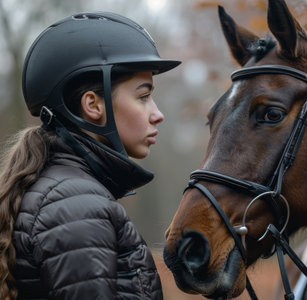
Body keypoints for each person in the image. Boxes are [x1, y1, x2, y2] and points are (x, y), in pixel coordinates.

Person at [0, 12, 180, 299]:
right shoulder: (78, 205)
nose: (158, 115)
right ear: (93, 105)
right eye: (144, 96)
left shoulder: (65, 193)